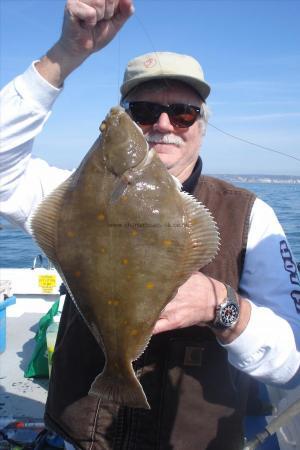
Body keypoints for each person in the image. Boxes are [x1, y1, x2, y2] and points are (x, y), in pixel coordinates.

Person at [1, 1, 300, 449]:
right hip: (80, 438)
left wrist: (223, 306)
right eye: (141, 111)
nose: (162, 125)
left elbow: (290, 361)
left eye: (183, 113)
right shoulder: (68, 193)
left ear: (202, 125)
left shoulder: (250, 215)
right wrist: (65, 54)